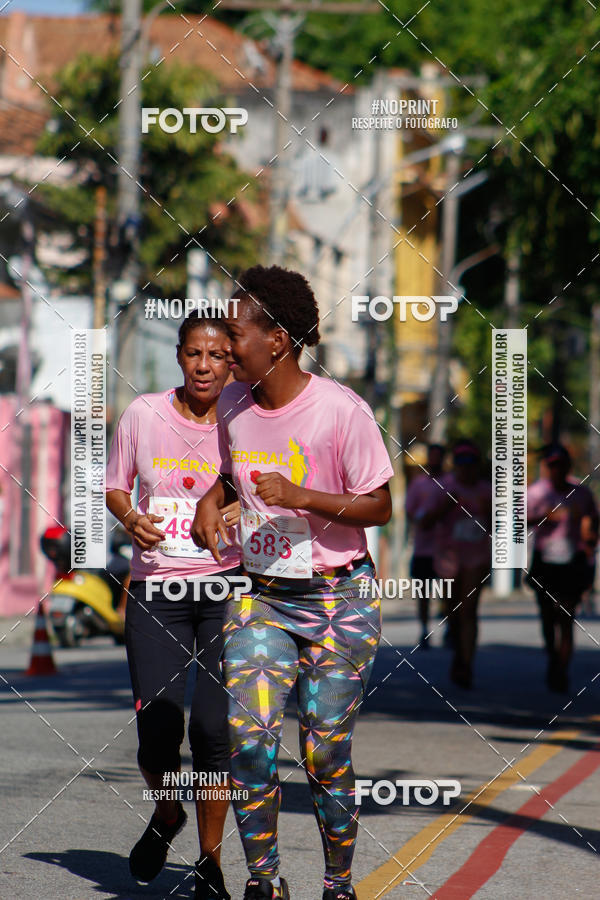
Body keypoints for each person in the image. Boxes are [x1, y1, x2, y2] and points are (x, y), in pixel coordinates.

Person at [191, 265, 393, 900]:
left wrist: (304, 495)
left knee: (324, 753)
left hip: (340, 596)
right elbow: (227, 476)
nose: (225, 347)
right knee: (248, 740)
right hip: (261, 594)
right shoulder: (232, 405)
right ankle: (264, 882)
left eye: (235, 332)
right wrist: (209, 502)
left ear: (276, 339)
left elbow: (380, 506)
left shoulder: (340, 411)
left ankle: (338, 884)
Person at [105, 312, 242, 899]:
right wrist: (130, 516)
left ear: (232, 363)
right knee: (158, 734)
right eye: (193, 354)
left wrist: (243, 508)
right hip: (157, 590)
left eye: (216, 356)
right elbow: (115, 484)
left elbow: (268, 478)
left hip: (227, 588)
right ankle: (166, 814)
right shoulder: (143, 415)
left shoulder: (246, 417)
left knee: (215, 732)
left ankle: (210, 863)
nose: (204, 366)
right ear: (179, 357)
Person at [526, 444, 599, 692]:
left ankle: (561, 669)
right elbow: (518, 521)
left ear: (568, 466)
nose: (558, 470)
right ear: (548, 467)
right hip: (545, 562)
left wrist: (590, 543)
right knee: (548, 617)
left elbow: (593, 519)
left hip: (572, 562)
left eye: (562, 465)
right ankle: (553, 655)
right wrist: (544, 517)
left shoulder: (581, 494)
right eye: (553, 465)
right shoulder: (535, 494)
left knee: (566, 618)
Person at [423, 440, 492, 688]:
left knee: (469, 611)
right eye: (461, 463)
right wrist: (444, 507)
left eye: (471, 463)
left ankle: (466, 663)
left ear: (477, 465)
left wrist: (491, 514)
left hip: (477, 558)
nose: (466, 469)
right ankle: (458, 651)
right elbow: (424, 522)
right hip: (448, 558)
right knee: (453, 611)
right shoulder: (445, 488)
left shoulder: (487, 491)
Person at [405, 444, 446, 648]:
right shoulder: (418, 484)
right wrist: (422, 520)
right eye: (432, 456)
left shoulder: (451, 483)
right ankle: (424, 629)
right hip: (423, 548)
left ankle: (450, 628)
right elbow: (409, 511)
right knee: (423, 592)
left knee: (448, 591)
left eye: (439, 456)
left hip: (447, 549)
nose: (435, 460)